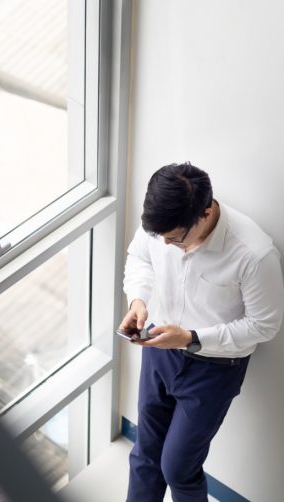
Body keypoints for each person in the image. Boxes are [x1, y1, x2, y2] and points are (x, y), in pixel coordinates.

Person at [120, 162, 284, 502]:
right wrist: (138, 299)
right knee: (145, 454)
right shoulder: (162, 223)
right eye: (159, 237)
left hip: (213, 370)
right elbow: (139, 257)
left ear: (205, 213)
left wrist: (193, 338)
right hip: (158, 350)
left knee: (178, 468)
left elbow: (264, 324)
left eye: (175, 238)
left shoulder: (254, 254)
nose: (164, 244)